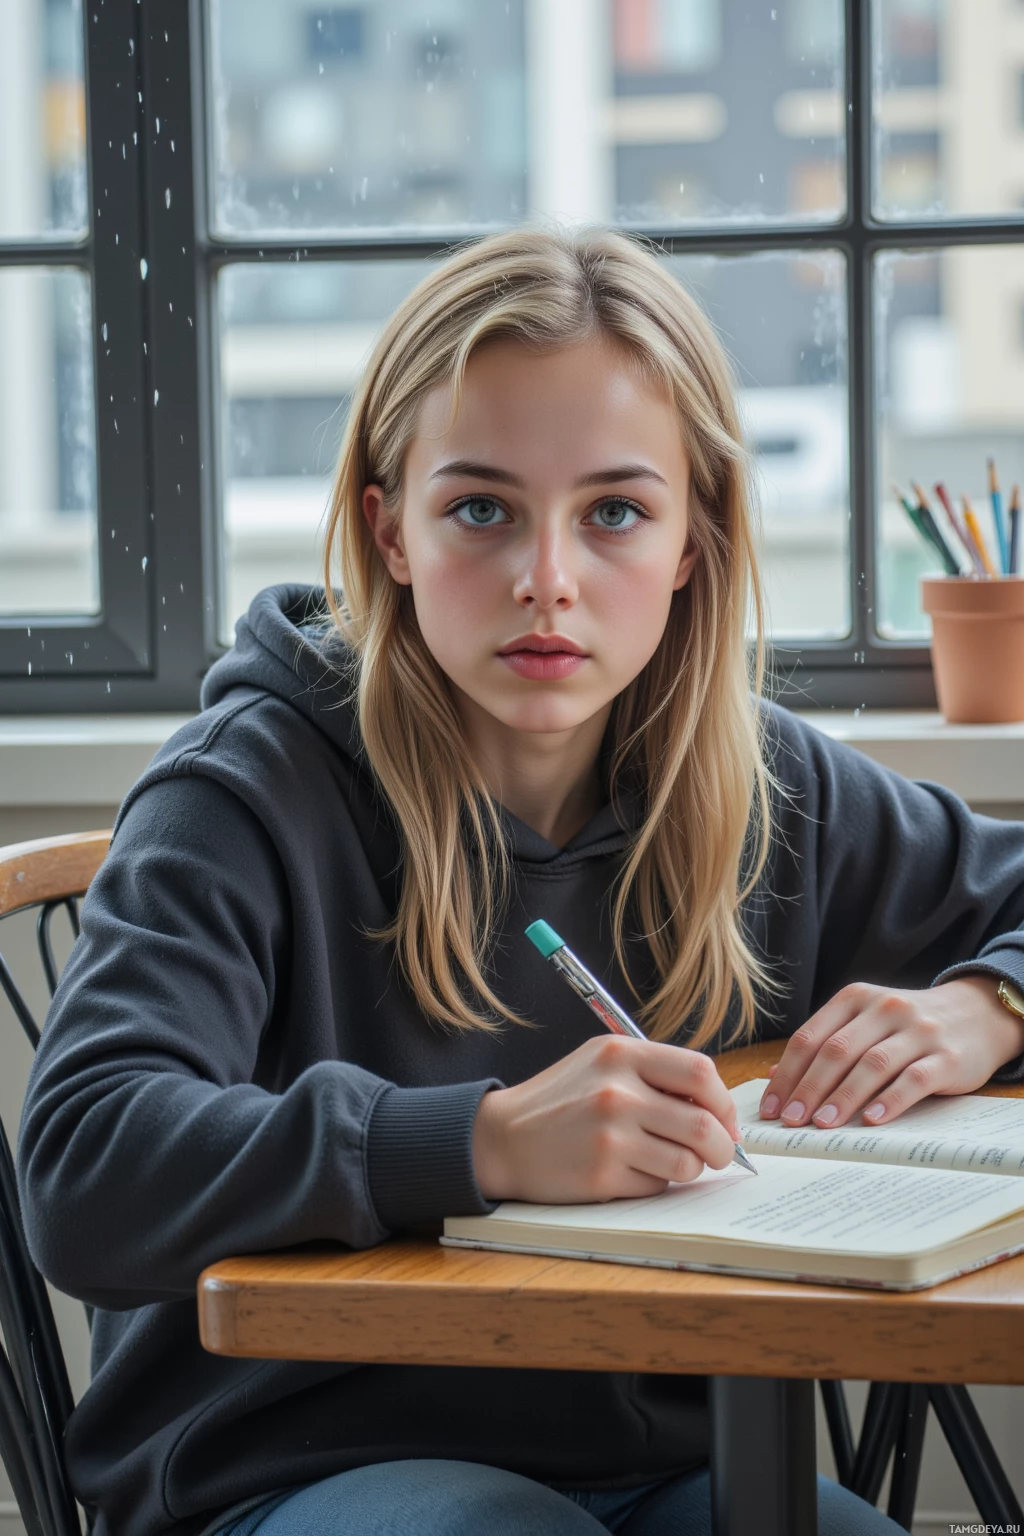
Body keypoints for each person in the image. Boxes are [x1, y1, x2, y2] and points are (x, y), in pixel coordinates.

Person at [17, 226, 1024, 1536]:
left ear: (692, 542)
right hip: (285, 1465)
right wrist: (477, 1143)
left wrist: (985, 1006)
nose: (547, 581)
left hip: (680, 1460)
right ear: (388, 530)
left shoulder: (758, 784)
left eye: (614, 512)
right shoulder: (248, 788)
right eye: (481, 509)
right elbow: (88, 1169)